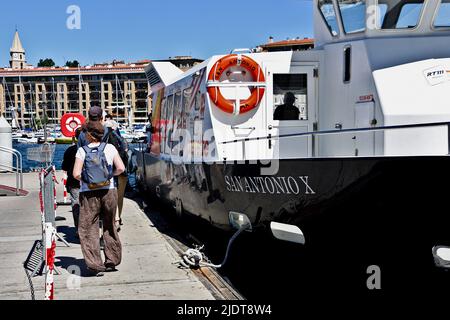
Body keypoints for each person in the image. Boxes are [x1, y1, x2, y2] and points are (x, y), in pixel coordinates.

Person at [73, 121, 125, 276]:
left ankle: (95, 264)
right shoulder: (110, 148)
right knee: (110, 225)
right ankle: (112, 261)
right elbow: (121, 168)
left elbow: (76, 174)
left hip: (89, 194)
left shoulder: (82, 151)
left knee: (88, 229)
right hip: (109, 191)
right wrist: (109, 175)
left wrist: (88, 180)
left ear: (89, 135)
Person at [104, 120, 129, 232]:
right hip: (122, 172)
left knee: (110, 196)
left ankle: (114, 218)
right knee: (120, 197)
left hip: (110, 171)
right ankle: (118, 218)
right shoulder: (121, 139)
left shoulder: (104, 140)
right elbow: (125, 151)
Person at [61, 128, 82, 236]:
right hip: (90, 182)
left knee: (76, 205)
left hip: (74, 182)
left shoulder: (70, 150)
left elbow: (64, 166)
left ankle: (78, 229)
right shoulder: (89, 149)